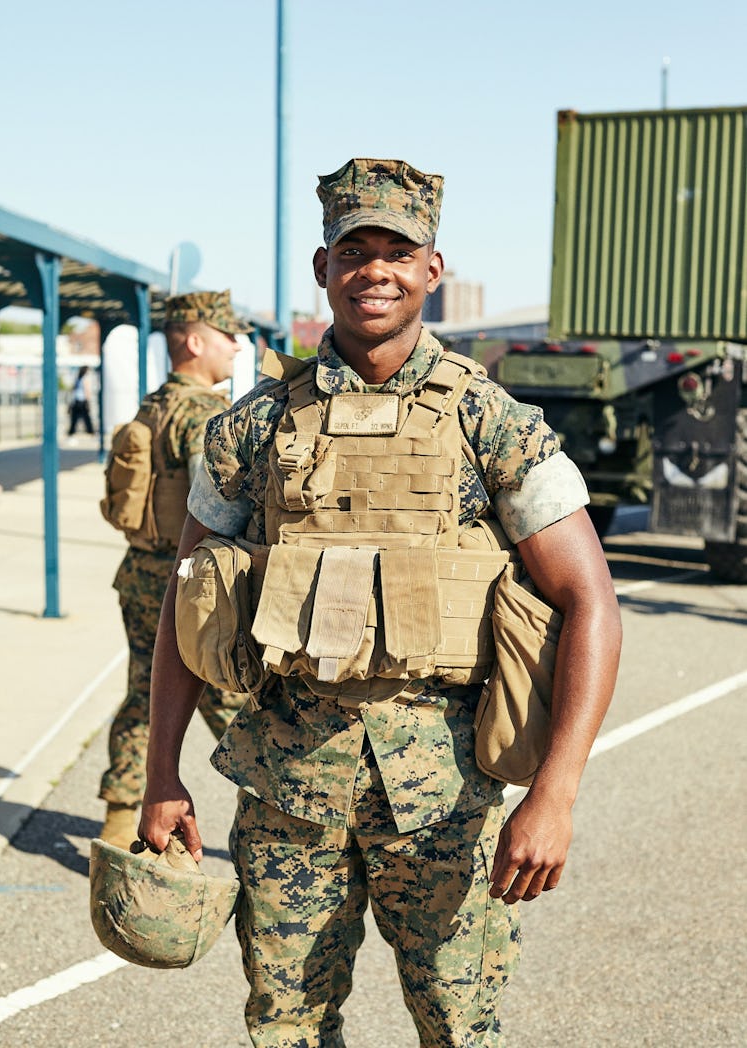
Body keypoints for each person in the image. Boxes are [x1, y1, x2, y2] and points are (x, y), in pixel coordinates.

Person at [141, 160, 623, 1045]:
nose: (376, 270)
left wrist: (555, 792)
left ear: (431, 270)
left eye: (397, 251)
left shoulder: (491, 421)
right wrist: (159, 770)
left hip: (447, 797)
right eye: (354, 250)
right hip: (289, 794)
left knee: (457, 1029)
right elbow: (186, 600)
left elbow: (590, 598)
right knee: (285, 1029)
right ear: (323, 267)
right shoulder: (252, 428)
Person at [98, 290, 252, 850]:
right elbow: (209, 514)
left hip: (137, 574)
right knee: (232, 698)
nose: (237, 346)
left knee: (145, 689)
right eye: (226, 335)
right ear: (194, 340)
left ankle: (119, 815)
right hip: (188, 586)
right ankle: (269, 821)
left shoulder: (152, 404)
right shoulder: (207, 416)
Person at [68, 365, 94, 434]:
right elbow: (87, 390)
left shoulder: (78, 378)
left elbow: (73, 389)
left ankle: (71, 432)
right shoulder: (85, 378)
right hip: (83, 401)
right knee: (86, 418)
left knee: (74, 418)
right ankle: (90, 431)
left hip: (76, 400)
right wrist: (88, 401)